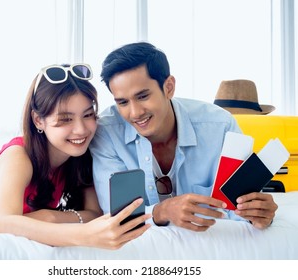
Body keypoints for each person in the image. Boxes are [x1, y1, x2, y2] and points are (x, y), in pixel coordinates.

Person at [89, 42, 278, 231]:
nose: (135, 112)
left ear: (169, 87)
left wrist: (259, 215)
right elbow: (118, 218)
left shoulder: (221, 127)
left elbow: (241, 208)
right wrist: (161, 212)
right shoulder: (107, 133)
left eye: (143, 96)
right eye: (122, 102)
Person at [0, 63, 151, 248]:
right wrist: (84, 235)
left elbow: (94, 213)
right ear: (38, 120)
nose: (81, 130)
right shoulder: (19, 157)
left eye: (87, 115)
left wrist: (48, 217)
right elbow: (4, 224)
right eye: (65, 119)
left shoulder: (81, 153)